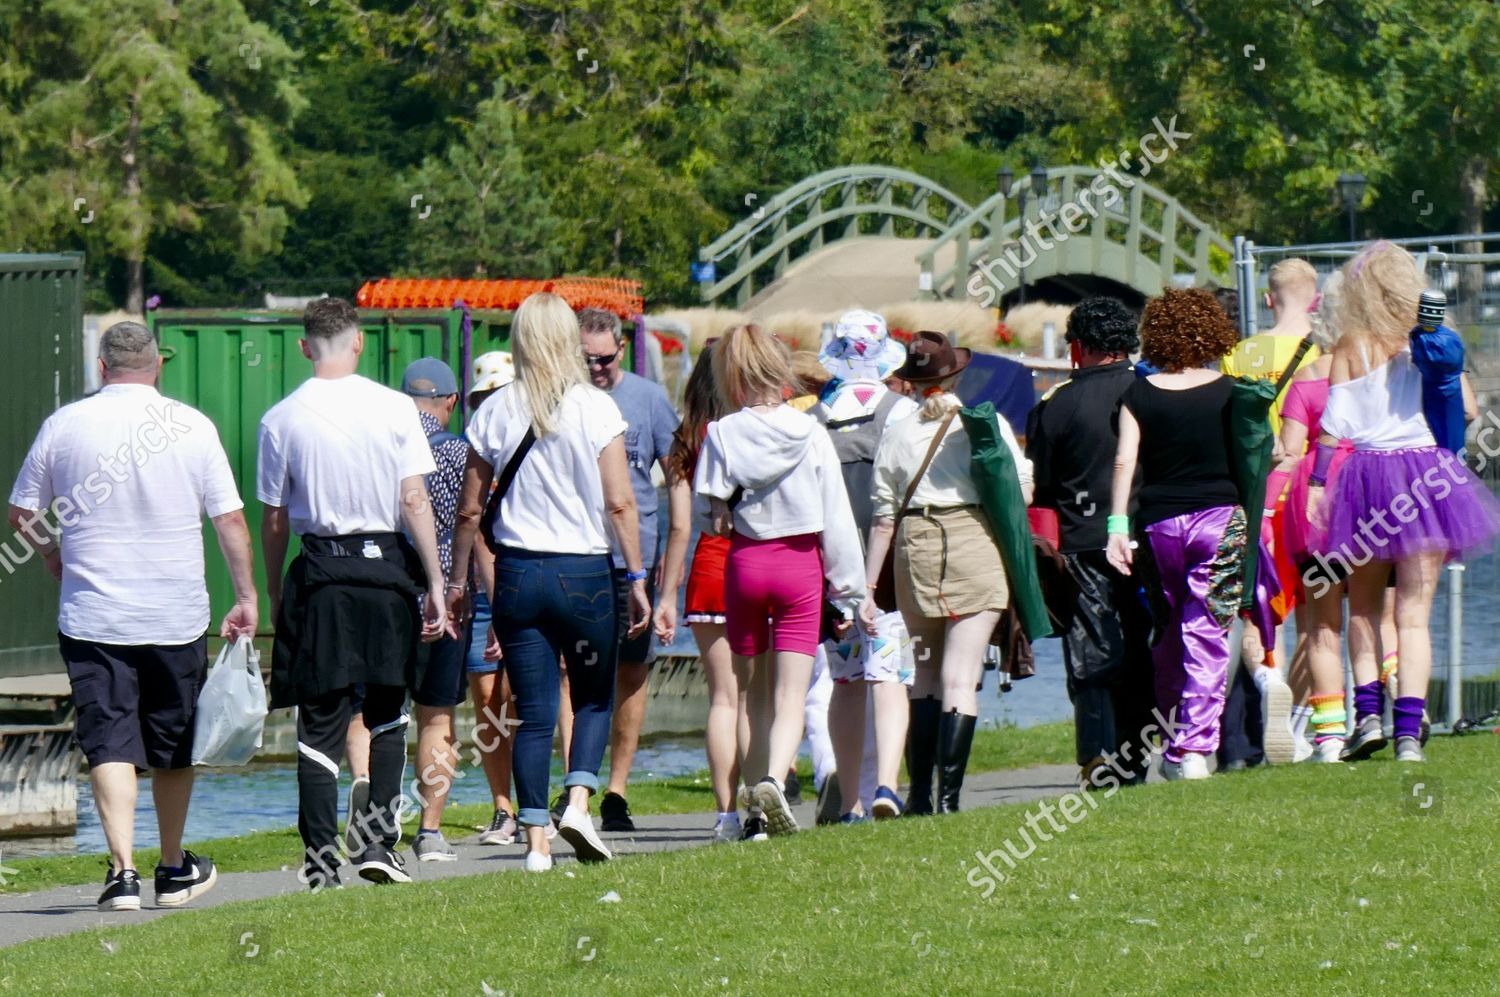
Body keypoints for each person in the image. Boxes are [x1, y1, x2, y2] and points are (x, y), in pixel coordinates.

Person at [8, 321, 254, 912]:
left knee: (109, 740)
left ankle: (122, 874)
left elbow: (22, 511)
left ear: (101, 366)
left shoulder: (65, 425)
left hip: (94, 616)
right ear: (157, 366)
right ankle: (172, 867)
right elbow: (229, 522)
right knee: (172, 741)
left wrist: (51, 553)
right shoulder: (192, 426)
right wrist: (246, 596)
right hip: (175, 613)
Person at [448, 292, 650, 872]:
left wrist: (461, 582)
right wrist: (635, 575)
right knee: (591, 697)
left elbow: (469, 512)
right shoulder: (597, 408)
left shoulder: (493, 412)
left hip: (517, 574)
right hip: (584, 573)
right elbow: (619, 503)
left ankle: (536, 844)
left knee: (533, 712)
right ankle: (580, 801)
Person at [259, 298, 449, 890]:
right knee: (388, 715)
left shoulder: (281, 418)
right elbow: (414, 499)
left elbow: (274, 518)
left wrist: (271, 591)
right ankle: (376, 844)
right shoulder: (396, 409)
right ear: (359, 342)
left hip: (322, 575)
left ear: (304, 345)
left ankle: (320, 859)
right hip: (387, 571)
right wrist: (436, 583)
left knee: (319, 723)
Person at [1310, 242, 1500, 763]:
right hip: (1429, 479)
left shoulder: (1353, 343)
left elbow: (1332, 425)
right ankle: (1409, 736)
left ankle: (1367, 716)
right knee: (1414, 617)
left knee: (1364, 609)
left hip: (1367, 477)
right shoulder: (1438, 341)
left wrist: (1318, 485)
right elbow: (1466, 408)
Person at [695, 323, 864, 836]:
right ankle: (772, 779)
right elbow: (836, 517)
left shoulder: (722, 432)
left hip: (746, 564)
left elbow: (710, 512)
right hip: (799, 565)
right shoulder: (810, 432)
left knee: (752, 695)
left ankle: (751, 815)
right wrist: (852, 590)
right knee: (794, 693)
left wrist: (726, 511)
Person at [862, 331, 1033, 812]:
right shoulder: (984, 424)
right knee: (961, 679)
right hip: (973, 542)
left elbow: (882, 518)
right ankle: (948, 799)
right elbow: (1023, 487)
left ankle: (917, 794)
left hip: (915, 546)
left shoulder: (896, 433)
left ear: (911, 384)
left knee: (923, 676)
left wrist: (870, 588)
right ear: (957, 375)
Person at [1106, 289, 1253, 780]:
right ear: (1212, 331)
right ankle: (1193, 750)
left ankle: (1174, 744)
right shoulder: (1232, 391)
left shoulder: (1138, 394)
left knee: (1168, 632)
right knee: (1208, 632)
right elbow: (1253, 455)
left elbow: (1125, 460)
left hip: (1158, 525)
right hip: (1220, 520)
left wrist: (1116, 527)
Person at [1026, 298, 1155, 787]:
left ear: (1078, 348)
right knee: (1144, 643)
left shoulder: (1056, 405)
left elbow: (1043, 484)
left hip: (1082, 539)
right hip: (1146, 536)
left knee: (1091, 650)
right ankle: (1140, 754)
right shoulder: (1150, 389)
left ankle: (1097, 752)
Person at [810, 310, 917, 821]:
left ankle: (848, 796)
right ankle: (888, 786)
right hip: (887, 564)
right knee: (890, 675)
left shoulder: (816, 417)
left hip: (833, 569)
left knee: (846, 681)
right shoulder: (900, 412)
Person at [578, 308, 679, 832]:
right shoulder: (565, 399)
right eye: (586, 359)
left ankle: (615, 790)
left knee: (630, 674)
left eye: (605, 358)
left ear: (621, 349)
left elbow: (678, 476)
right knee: (574, 676)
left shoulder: (647, 399)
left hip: (633, 561)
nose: (596, 368)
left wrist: (670, 581)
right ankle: (576, 789)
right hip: (575, 554)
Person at [1218, 259, 1322, 768]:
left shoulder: (1241, 353)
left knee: (1259, 609)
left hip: (1256, 493)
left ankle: (1267, 688)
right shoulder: (1326, 355)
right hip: (1314, 496)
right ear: (1317, 299)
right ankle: (1307, 720)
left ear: (1267, 300)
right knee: (1320, 616)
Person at [654, 344, 751, 841]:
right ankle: (760, 801)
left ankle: (726, 814)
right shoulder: (755, 428)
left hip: (708, 567)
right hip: (757, 558)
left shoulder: (685, 441)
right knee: (758, 696)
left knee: (723, 699)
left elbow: (678, 527)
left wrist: (666, 597)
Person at [1271, 274, 1353, 762]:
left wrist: (1268, 508)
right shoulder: (1382, 373)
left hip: (1316, 503)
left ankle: (1327, 736)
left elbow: (1290, 451)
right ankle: (1389, 713)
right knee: (1381, 616)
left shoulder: (1306, 380)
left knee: (1322, 624)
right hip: (1374, 494)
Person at [398, 358, 473, 862]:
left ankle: (370, 821)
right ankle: (429, 830)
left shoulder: (384, 444)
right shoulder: (457, 451)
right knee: (436, 714)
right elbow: (468, 521)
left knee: (372, 713)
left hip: (387, 586)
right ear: (450, 402)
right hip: (444, 593)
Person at [463, 351, 520, 845]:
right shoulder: (469, 455)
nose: (492, 407)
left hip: (527, 581)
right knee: (486, 698)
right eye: (484, 398)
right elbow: (473, 529)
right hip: (483, 593)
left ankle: (544, 800)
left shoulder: (535, 449)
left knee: (528, 696)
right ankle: (503, 807)